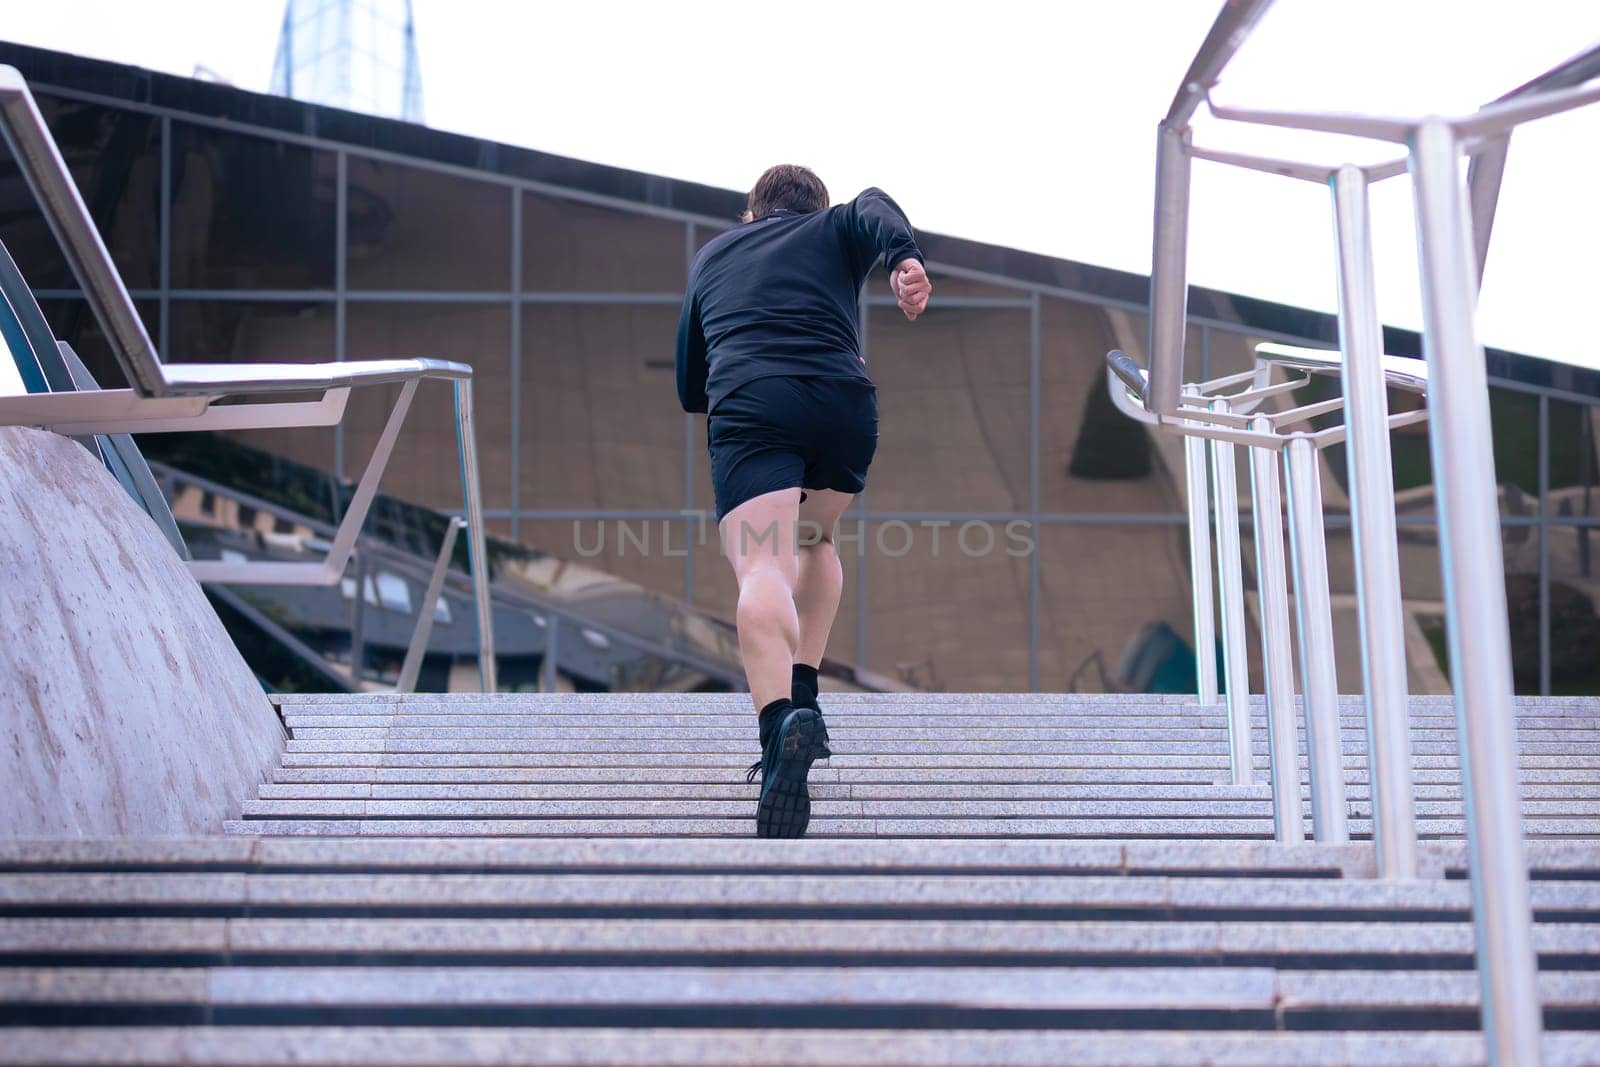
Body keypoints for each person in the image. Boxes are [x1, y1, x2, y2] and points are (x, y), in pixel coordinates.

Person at [675, 164, 931, 838]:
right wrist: (903, 258)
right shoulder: (835, 228)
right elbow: (873, 203)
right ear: (814, 208)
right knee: (814, 541)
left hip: (756, 405)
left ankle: (778, 723)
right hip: (844, 405)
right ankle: (806, 690)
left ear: (752, 214)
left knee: (763, 564)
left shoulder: (713, 254)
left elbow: (689, 384)